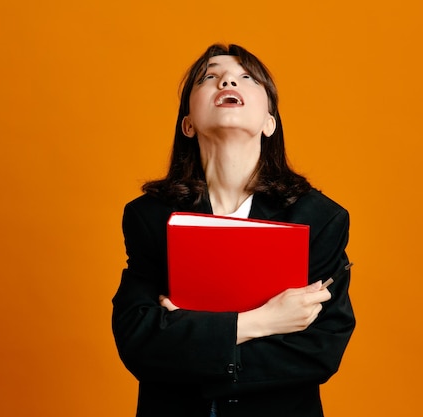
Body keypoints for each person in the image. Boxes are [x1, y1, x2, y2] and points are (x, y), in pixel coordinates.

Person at [112, 43, 355, 417]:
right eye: (209, 77)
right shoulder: (150, 217)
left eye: (247, 77)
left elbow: (319, 350)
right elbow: (138, 340)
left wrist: (188, 339)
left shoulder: (319, 218)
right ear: (188, 123)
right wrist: (262, 322)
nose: (227, 79)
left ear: (269, 121)